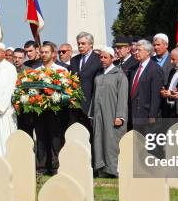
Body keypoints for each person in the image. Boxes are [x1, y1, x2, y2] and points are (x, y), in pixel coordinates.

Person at [89, 47, 128, 178]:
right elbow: (94, 95)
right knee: (99, 140)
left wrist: (120, 116)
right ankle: (101, 169)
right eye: (101, 57)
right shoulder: (99, 74)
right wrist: (92, 113)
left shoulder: (119, 75)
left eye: (106, 57)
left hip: (113, 114)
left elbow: (123, 97)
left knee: (111, 141)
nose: (103, 60)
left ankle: (113, 170)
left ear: (112, 58)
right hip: (98, 115)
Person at [33, 43, 67, 174]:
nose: (43, 54)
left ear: (53, 54)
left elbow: (66, 91)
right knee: (41, 138)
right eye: (41, 52)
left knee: (55, 139)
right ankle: (41, 167)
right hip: (40, 110)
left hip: (56, 111)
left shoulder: (61, 70)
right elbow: (32, 91)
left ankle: (55, 166)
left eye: (46, 52)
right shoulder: (36, 71)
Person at [69, 32, 102, 133]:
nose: (80, 46)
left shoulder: (99, 59)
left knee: (90, 135)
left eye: (83, 43)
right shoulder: (74, 60)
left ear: (91, 44)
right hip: (74, 106)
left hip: (90, 105)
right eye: (78, 43)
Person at [128, 40, 164, 130]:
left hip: (146, 115)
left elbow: (156, 95)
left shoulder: (155, 69)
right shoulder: (134, 68)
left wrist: (152, 115)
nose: (136, 52)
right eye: (135, 50)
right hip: (134, 113)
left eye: (139, 50)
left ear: (148, 52)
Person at [159, 47, 178, 118]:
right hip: (168, 109)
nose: (171, 62)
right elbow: (169, 86)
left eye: (173, 59)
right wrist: (164, 92)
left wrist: (171, 94)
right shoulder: (173, 71)